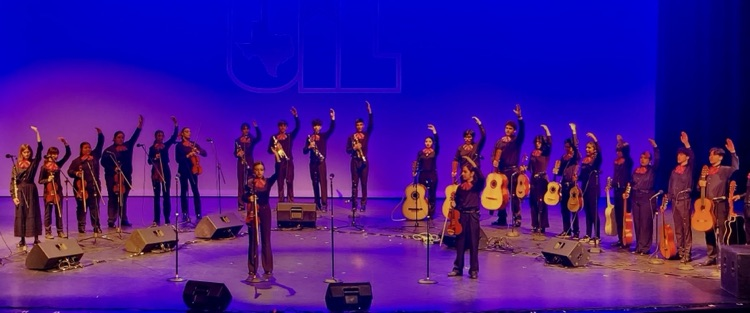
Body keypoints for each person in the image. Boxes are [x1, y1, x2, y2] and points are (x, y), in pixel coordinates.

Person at [698, 139, 738, 266]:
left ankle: (723, 258)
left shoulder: (725, 170)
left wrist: (733, 152)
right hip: (707, 205)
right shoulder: (706, 171)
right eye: (710, 154)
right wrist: (699, 185)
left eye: (714, 154)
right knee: (708, 229)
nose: (711, 157)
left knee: (721, 231)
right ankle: (712, 256)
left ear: (720, 157)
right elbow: (699, 188)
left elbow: (735, 167)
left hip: (720, 205)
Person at [101, 115, 143, 227]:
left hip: (126, 176)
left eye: (122, 137)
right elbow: (103, 163)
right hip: (112, 178)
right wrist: (113, 168)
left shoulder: (127, 146)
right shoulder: (109, 150)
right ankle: (111, 219)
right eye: (118, 137)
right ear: (114, 138)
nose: (121, 139)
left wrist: (139, 126)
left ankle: (124, 218)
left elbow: (134, 137)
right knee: (112, 198)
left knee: (123, 198)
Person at [448, 156, 485, 279]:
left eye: (465, 172)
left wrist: (471, 163)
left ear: (472, 173)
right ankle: (458, 268)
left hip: (473, 216)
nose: (462, 174)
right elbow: (458, 204)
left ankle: (473, 270)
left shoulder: (477, 186)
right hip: (462, 216)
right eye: (462, 172)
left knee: (474, 243)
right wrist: (453, 203)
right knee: (460, 243)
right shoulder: (460, 188)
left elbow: (482, 177)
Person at [243, 161, 279, 282]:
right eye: (257, 169)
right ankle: (252, 269)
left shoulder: (267, 182)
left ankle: (268, 268)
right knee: (253, 241)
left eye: (261, 169)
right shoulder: (249, 183)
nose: (259, 172)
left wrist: (277, 157)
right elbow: (243, 196)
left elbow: (278, 173)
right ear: (254, 171)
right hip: (254, 212)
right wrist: (249, 198)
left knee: (266, 240)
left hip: (265, 211)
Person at [492, 104, 524, 227]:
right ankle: (502, 218)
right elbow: (494, 153)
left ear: (514, 130)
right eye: (506, 128)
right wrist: (494, 161)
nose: (508, 130)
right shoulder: (500, 141)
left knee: (514, 195)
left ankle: (517, 218)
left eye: (510, 128)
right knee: (501, 195)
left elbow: (522, 132)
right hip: (501, 171)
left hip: (513, 171)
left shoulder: (516, 141)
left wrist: (520, 117)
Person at [68, 128, 105, 234]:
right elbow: (69, 171)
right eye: (85, 148)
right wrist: (76, 173)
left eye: (89, 147)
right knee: (81, 207)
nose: (88, 149)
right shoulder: (77, 161)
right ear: (81, 149)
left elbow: (100, 144)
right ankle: (81, 226)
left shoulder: (94, 157)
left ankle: (96, 226)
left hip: (94, 185)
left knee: (95, 207)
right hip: (81, 187)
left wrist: (100, 134)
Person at [625, 139, 659, 255]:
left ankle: (645, 247)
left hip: (647, 198)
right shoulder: (636, 170)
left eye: (645, 158)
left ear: (649, 160)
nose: (642, 159)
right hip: (636, 198)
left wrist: (655, 147)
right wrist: (627, 192)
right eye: (641, 157)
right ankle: (639, 246)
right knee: (638, 223)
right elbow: (631, 182)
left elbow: (658, 160)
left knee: (646, 224)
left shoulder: (652, 170)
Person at [11, 126, 43, 250]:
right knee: (21, 213)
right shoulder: (16, 165)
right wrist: (14, 197)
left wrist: (37, 133)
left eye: (28, 151)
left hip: (31, 189)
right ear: (21, 153)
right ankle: (22, 239)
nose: (27, 153)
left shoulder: (33, 163)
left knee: (33, 212)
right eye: (24, 152)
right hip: (20, 190)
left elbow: (40, 150)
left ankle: (36, 238)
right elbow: (12, 181)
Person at [668, 132, 694, 263]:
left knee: (686, 227)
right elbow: (670, 185)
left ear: (687, 157)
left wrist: (686, 144)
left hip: (685, 201)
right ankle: (681, 250)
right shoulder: (674, 170)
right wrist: (667, 199)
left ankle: (688, 252)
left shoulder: (689, 168)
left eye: (681, 154)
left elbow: (693, 156)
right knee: (678, 228)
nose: (678, 156)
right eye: (678, 154)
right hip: (674, 202)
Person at [38, 137, 71, 239]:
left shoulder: (58, 165)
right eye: (53, 154)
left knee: (59, 212)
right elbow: (40, 181)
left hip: (58, 192)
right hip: (48, 193)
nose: (55, 156)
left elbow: (68, 155)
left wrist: (66, 143)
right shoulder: (44, 167)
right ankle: (48, 232)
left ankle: (60, 231)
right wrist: (48, 179)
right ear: (49, 154)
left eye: (56, 154)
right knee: (48, 213)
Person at [148, 116, 178, 226]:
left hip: (165, 170)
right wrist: (154, 158)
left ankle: (167, 218)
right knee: (156, 196)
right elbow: (149, 161)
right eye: (158, 135)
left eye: (161, 136)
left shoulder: (165, 146)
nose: (160, 137)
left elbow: (174, 137)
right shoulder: (152, 148)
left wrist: (176, 125)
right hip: (156, 171)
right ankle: (156, 219)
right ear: (155, 137)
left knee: (166, 194)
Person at [303, 109, 335, 211]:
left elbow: (331, 129)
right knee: (315, 182)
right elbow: (304, 151)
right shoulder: (309, 138)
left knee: (323, 182)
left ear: (320, 127)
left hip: (321, 162)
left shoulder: (323, 136)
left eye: (318, 125)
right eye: (314, 125)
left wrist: (332, 118)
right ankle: (317, 203)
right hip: (312, 163)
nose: (316, 127)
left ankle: (324, 203)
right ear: (313, 127)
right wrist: (309, 146)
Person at [175, 127, 208, 223]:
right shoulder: (179, 146)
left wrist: (198, 152)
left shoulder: (193, 144)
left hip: (193, 170)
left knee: (195, 190)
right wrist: (188, 155)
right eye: (186, 131)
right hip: (183, 170)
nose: (189, 133)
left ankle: (198, 212)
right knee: (184, 191)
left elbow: (205, 153)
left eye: (189, 131)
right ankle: (185, 212)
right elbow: (178, 159)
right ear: (182, 134)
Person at [554, 123, 580, 239]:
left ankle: (576, 232)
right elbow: (560, 173)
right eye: (565, 146)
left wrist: (573, 131)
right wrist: (556, 171)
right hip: (564, 185)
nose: (566, 148)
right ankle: (566, 230)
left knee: (573, 208)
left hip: (572, 186)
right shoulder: (563, 157)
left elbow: (576, 146)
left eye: (568, 147)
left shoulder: (575, 157)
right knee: (564, 208)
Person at [268, 107, 300, 203]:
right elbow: (269, 150)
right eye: (280, 126)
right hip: (279, 163)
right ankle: (281, 202)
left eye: (284, 126)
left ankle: (290, 202)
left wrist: (295, 116)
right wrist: (275, 150)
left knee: (289, 182)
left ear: (286, 127)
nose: (282, 127)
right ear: (278, 127)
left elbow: (298, 127)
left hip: (289, 162)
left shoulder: (290, 136)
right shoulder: (274, 138)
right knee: (280, 183)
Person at [346, 101, 373, 212]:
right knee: (354, 183)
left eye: (361, 125)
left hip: (364, 161)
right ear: (355, 126)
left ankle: (363, 203)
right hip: (355, 162)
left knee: (364, 183)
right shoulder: (351, 137)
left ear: (363, 125)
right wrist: (354, 148)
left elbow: (371, 125)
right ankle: (354, 204)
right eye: (358, 125)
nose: (359, 126)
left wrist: (369, 112)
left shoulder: (366, 135)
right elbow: (347, 150)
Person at [579, 132, 602, 244]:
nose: (587, 149)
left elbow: (600, 153)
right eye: (586, 147)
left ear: (594, 149)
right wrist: (576, 178)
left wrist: (594, 138)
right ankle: (588, 234)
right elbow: (582, 174)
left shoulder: (596, 160)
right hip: (585, 188)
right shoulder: (584, 160)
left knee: (594, 212)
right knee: (587, 211)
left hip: (594, 188)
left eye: (589, 147)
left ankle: (597, 236)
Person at [612, 135, 634, 248]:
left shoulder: (628, 161)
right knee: (618, 216)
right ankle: (620, 239)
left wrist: (621, 141)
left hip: (625, 192)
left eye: (620, 150)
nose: (618, 152)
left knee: (625, 216)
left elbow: (627, 150)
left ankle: (626, 239)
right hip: (616, 191)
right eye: (617, 150)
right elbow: (616, 176)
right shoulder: (616, 162)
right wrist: (611, 184)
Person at [414, 124, 440, 218]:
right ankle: (422, 211)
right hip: (422, 175)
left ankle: (431, 213)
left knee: (432, 194)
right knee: (422, 194)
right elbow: (417, 162)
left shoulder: (434, 151)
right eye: (426, 141)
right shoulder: (420, 152)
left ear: (432, 142)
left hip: (432, 175)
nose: (428, 143)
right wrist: (415, 171)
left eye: (429, 141)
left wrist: (434, 132)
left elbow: (438, 143)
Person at [235, 121, 261, 210]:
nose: (246, 130)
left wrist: (256, 127)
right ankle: (241, 204)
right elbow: (235, 153)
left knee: (250, 182)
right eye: (244, 129)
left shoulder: (252, 139)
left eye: (247, 128)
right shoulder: (237, 140)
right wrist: (237, 154)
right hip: (241, 162)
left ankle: (250, 202)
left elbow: (259, 137)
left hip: (249, 161)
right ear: (242, 130)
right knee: (241, 183)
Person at [451, 117, 485, 183]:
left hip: (475, 173)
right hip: (464, 173)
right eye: (465, 137)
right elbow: (455, 160)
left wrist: (479, 124)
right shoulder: (460, 148)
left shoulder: (476, 146)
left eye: (469, 137)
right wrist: (454, 171)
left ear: (472, 137)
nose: (467, 139)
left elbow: (483, 136)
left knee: (474, 191)